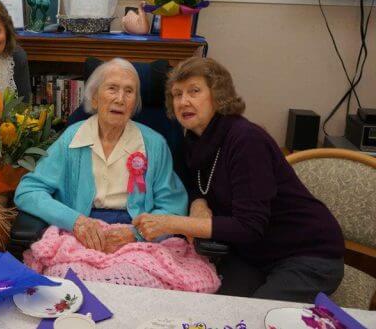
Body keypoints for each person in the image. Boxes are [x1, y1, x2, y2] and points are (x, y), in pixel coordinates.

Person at [134, 56, 344, 302]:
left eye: (194, 91)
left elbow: (249, 226)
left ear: (218, 95)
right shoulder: (191, 140)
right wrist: (198, 203)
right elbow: (194, 186)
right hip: (252, 254)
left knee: (254, 319)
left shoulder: (246, 139)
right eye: (177, 94)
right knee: (215, 308)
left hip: (307, 254)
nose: (184, 101)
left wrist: (170, 223)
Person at [14, 58, 187, 253]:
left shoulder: (154, 144)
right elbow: (28, 192)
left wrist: (136, 233)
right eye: (112, 88)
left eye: (129, 91)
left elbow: (173, 207)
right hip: (79, 235)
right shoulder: (72, 138)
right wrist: (75, 221)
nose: (120, 99)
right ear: (94, 98)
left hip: (137, 240)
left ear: (135, 103)